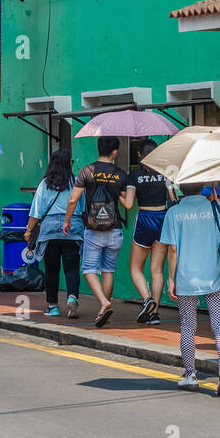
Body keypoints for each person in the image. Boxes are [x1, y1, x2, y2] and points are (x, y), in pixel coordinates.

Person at [161, 182, 220, 395]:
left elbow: (173, 249)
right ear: (203, 185)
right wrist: (216, 202)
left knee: (187, 326)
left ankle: (190, 374)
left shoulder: (173, 212)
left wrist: (171, 279)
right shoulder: (217, 208)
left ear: (182, 187)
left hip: (186, 279)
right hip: (215, 276)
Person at [63, 136, 126, 326]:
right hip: (114, 230)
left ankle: (104, 302)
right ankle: (102, 309)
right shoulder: (121, 174)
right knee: (108, 271)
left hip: (93, 230)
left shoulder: (86, 171)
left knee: (89, 269)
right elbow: (126, 199)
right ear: (115, 152)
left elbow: (73, 199)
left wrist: (67, 221)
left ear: (98, 149)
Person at [122, 139, 176, 325]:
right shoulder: (166, 172)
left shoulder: (134, 176)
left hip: (145, 219)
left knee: (136, 267)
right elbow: (173, 198)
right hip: (163, 219)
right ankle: (155, 314)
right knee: (156, 269)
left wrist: (118, 195)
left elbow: (128, 204)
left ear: (139, 155)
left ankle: (147, 300)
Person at [28, 149, 84, 318]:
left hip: (49, 230)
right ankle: (72, 298)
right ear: (68, 164)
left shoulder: (45, 184)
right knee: (72, 268)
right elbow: (82, 208)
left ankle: (53, 307)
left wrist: (29, 230)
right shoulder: (76, 182)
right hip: (72, 228)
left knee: (52, 270)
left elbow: (36, 212)